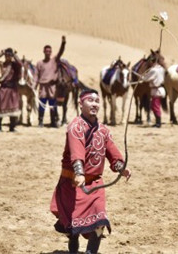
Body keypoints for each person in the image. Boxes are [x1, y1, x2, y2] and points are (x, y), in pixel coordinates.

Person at [50, 89, 131, 254]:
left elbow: (111, 152)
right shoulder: (75, 127)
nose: (95, 104)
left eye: (97, 101)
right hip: (72, 184)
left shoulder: (103, 130)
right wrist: (79, 173)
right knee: (73, 228)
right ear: (81, 104)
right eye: (90, 101)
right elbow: (76, 152)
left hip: (95, 184)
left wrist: (120, 167)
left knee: (100, 222)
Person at [0, 48, 22, 132]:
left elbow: (20, 64)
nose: (8, 57)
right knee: (0, 108)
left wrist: (14, 55)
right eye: (6, 55)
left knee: (13, 108)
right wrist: (1, 53)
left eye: (9, 55)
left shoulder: (14, 65)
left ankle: (12, 127)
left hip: (12, 89)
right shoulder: (2, 64)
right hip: (3, 88)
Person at [35, 42, 61, 128]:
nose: (48, 52)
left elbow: (60, 52)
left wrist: (63, 43)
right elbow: (36, 75)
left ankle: (53, 122)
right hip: (42, 87)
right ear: (44, 51)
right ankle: (40, 121)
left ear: (51, 52)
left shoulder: (54, 61)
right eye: (46, 51)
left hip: (52, 87)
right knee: (42, 105)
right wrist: (34, 86)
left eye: (49, 51)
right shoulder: (39, 63)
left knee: (52, 105)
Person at [141, 55, 166, 128]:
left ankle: (158, 123)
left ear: (152, 62)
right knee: (154, 106)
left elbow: (146, 79)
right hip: (159, 89)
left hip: (156, 90)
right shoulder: (161, 69)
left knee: (156, 107)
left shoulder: (153, 70)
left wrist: (142, 77)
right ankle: (158, 122)